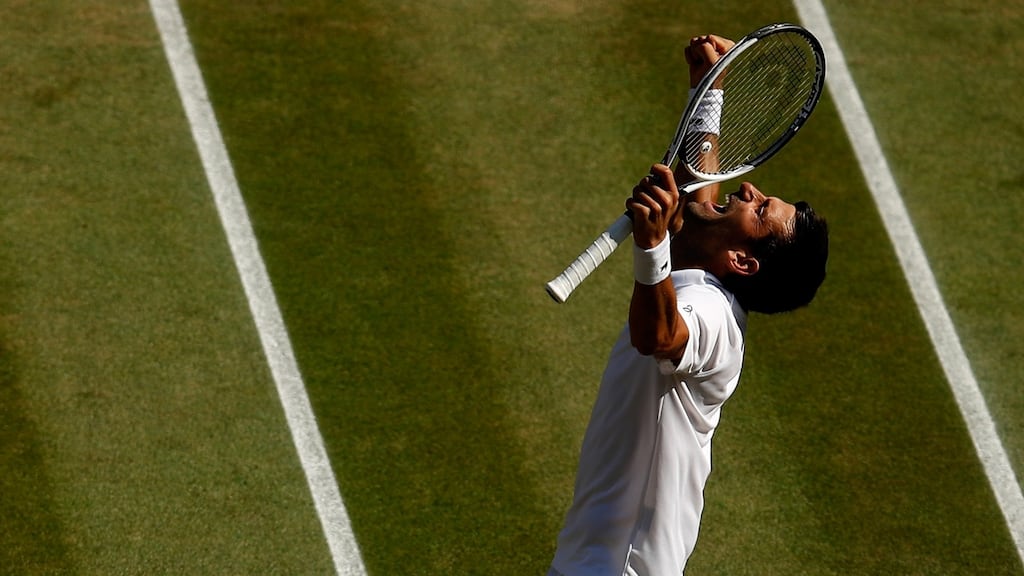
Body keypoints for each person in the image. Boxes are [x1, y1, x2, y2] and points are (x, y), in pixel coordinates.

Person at [548, 34, 829, 575]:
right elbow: (701, 199)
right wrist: (709, 92)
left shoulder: (715, 318)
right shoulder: (706, 275)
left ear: (745, 262)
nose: (747, 190)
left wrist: (652, 247)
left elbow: (658, 337)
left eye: (760, 210)